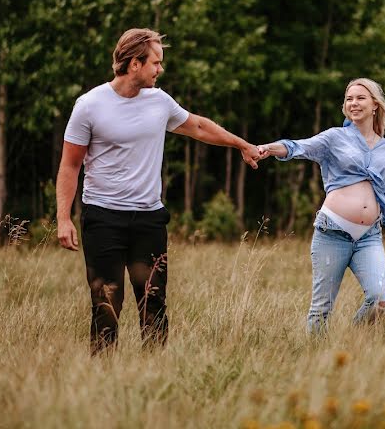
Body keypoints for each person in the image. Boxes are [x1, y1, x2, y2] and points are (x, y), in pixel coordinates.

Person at [56, 28, 260, 353]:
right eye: (155, 62)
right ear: (134, 63)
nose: (160, 70)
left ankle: (154, 375)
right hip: (102, 218)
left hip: (149, 220)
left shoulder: (159, 101)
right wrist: (63, 218)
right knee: (106, 302)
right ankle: (102, 378)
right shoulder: (90, 106)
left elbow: (198, 126)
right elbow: (70, 165)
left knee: (154, 302)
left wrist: (241, 144)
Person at [258, 78, 385, 333]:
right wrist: (269, 148)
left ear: (375, 105)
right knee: (321, 308)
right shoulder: (335, 137)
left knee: (380, 298)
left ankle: (350, 340)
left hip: (369, 236)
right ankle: (315, 359)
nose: (353, 103)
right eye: (349, 99)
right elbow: (298, 147)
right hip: (332, 232)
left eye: (360, 98)